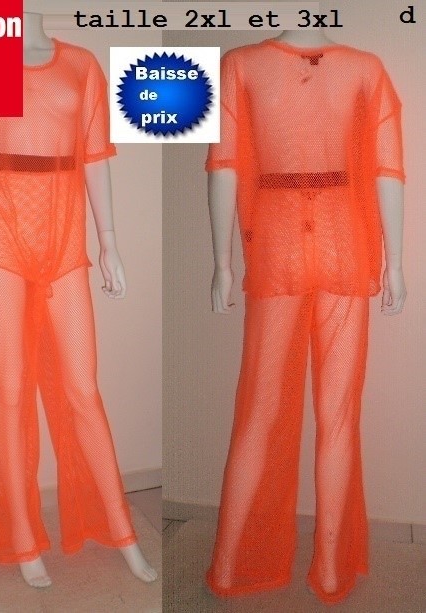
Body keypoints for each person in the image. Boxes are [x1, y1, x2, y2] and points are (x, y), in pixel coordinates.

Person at [0, 12, 157, 589]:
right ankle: (22, 537)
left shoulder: (80, 65)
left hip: (63, 234)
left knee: (81, 387)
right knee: (8, 389)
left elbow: (95, 157)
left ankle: (121, 529)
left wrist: (109, 242)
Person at [205, 31, 405, 605]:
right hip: (313, 246)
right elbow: (224, 165)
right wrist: (222, 263)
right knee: (298, 412)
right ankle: (288, 565)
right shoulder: (248, 66)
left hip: (309, 244)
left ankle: (265, 564)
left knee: (293, 411)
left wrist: (223, 264)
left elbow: (223, 167)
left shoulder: (356, 67)